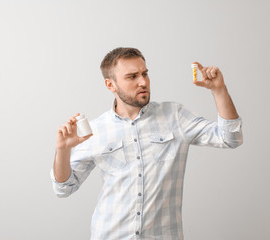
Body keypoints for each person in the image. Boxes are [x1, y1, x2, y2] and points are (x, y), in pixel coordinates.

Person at [50, 47, 243, 240]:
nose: (143, 82)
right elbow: (64, 188)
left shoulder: (174, 116)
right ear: (111, 85)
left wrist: (219, 90)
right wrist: (63, 150)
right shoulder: (96, 130)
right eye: (132, 77)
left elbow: (230, 138)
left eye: (145, 74)